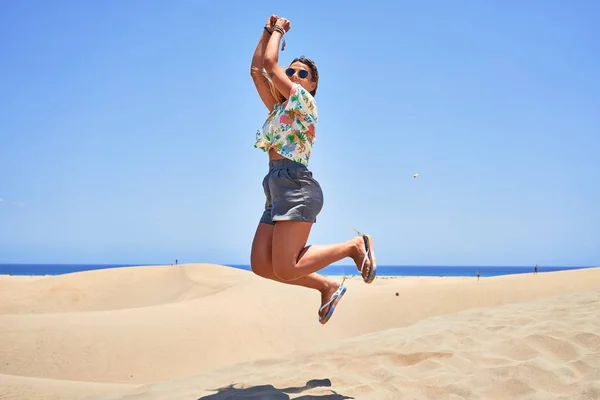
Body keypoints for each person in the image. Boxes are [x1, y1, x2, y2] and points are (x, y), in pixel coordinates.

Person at [249, 15, 377, 325]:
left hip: (295, 185)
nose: (292, 75)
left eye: (300, 73)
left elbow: (269, 64)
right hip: (275, 188)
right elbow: (257, 70)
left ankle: (354, 247)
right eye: (290, 70)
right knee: (262, 266)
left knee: (287, 267)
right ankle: (327, 285)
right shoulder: (279, 108)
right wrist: (266, 31)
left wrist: (279, 31)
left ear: (312, 84)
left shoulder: (304, 102)